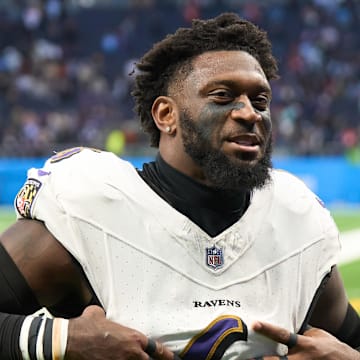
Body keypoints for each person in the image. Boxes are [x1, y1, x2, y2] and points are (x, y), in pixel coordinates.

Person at [0, 12, 359, 360]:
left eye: (260, 100)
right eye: (223, 95)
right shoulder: (91, 207)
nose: (250, 113)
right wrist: (60, 342)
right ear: (165, 115)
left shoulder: (297, 219)